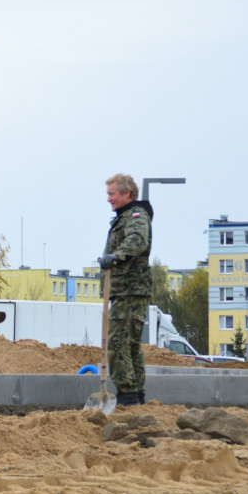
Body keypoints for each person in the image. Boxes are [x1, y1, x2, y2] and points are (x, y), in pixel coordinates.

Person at [98, 173, 154, 406]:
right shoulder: (125, 217)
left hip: (130, 290)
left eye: (112, 194)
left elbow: (138, 241)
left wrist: (116, 258)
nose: (109, 199)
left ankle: (128, 396)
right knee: (130, 345)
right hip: (125, 291)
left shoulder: (136, 216)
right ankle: (135, 395)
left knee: (119, 344)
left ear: (126, 193)